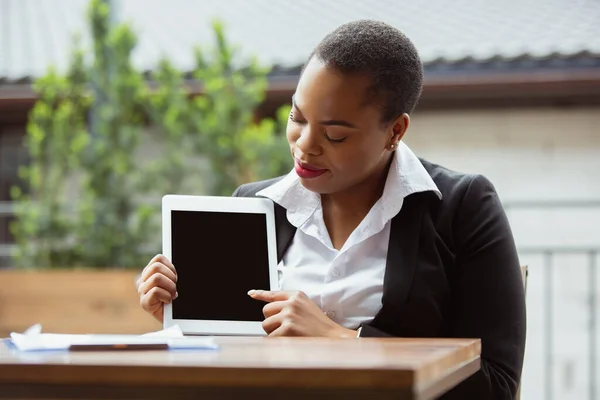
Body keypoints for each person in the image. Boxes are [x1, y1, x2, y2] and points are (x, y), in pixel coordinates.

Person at [135, 20, 526, 399]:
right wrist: (185, 322)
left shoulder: (461, 207)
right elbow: (234, 361)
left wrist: (340, 339)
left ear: (395, 131)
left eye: (335, 134)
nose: (305, 145)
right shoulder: (255, 207)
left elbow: (494, 384)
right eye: (297, 118)